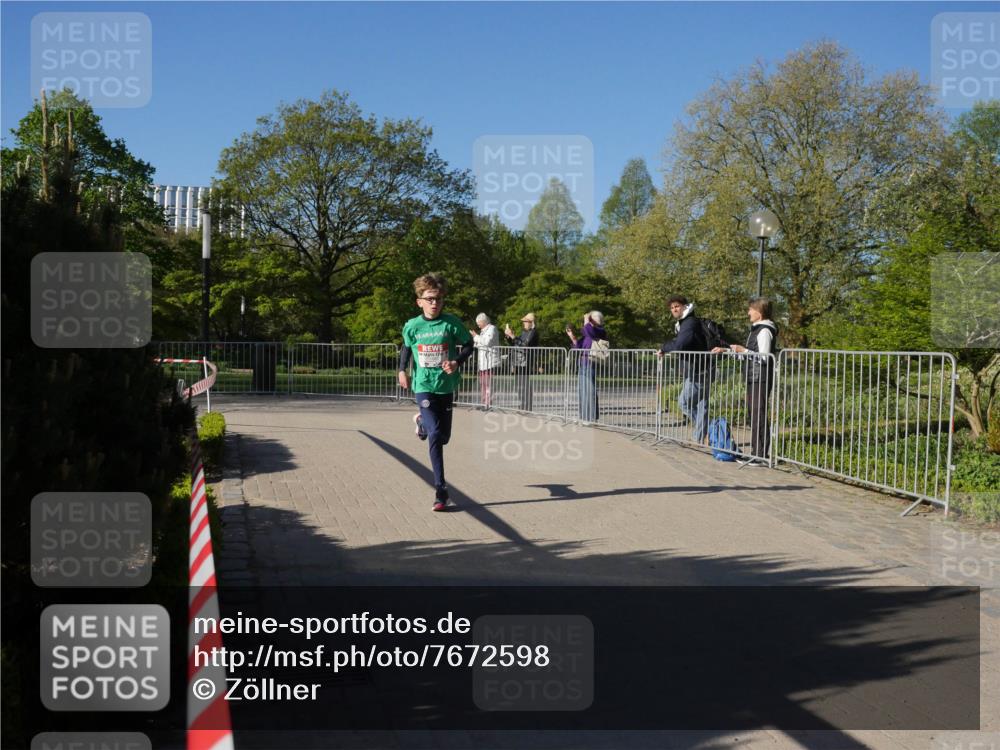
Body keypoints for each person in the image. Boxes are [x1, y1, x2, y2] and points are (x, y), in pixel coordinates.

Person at [398, 273, 474, 512]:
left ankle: (421, 422)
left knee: (444, 437)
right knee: (435, 434)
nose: (434, 303)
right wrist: (402, 370)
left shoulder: (451, 323)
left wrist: (456, 362)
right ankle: (441, 491)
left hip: (446, 386)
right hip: (423, 386)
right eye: (429, 299)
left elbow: (469, 344)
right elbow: (406, 348)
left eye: (438, 299)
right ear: (419, 301)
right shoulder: (413, 326)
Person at [712, 297, 778, 465]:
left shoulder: (764, 331)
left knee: (758, 414)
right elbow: (748, 355)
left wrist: (744, 350)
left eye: (751, 309)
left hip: (760, 377)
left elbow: (764, 357)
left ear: (759, 312)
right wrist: (727, 350)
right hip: (752, 376)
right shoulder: (756, 330)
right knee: (753, 414)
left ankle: (760, 455)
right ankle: (757, 453)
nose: (748, 312)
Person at [658, 294, 711, 443]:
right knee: (701, 405)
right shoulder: (685, 322)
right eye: (672, 307)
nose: (674, 309)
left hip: (699, 369)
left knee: (684, 402)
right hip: (699, 368)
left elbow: (680, 345)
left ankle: (708, 429)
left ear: (684, 307)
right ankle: (700, 437)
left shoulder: (689, 322)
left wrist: (664, 347)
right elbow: (680, 342)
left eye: (677, 306)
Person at [566, 310, 606, 423]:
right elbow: (578, 348)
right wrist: (572, 337)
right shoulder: (588, 334)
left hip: (590, 363)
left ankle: (591, 418)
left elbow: (588, 330)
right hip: (582, 363)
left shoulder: (600, 331)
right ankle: (584, 416)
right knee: (582, 391)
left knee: (589, 390)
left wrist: (586, 320)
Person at [504, 313, 539, 412]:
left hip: (526, 361)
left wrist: (513, 336)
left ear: (531, 323)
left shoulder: (533, 332)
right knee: (519, 384)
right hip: (518, 361)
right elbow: (515, 343)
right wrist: (508, 337)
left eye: (526, 321)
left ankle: (527, 407)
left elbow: (525, 345)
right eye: (524, 321)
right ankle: (522, 405)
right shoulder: (524, 332)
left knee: (524, 384)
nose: (524, 323)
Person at [469, 313, 500, 409]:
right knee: (483, 383)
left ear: (484, 321)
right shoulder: (483, 331)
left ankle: (488, 404)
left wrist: (476, 336)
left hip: (490, 362)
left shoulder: (492, 328)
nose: (478, 324)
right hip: (483, 362)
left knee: (488, 384)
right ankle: (484, 403)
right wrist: (476, 340)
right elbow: (480, 344)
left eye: (479, 322)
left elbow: (487, 342)